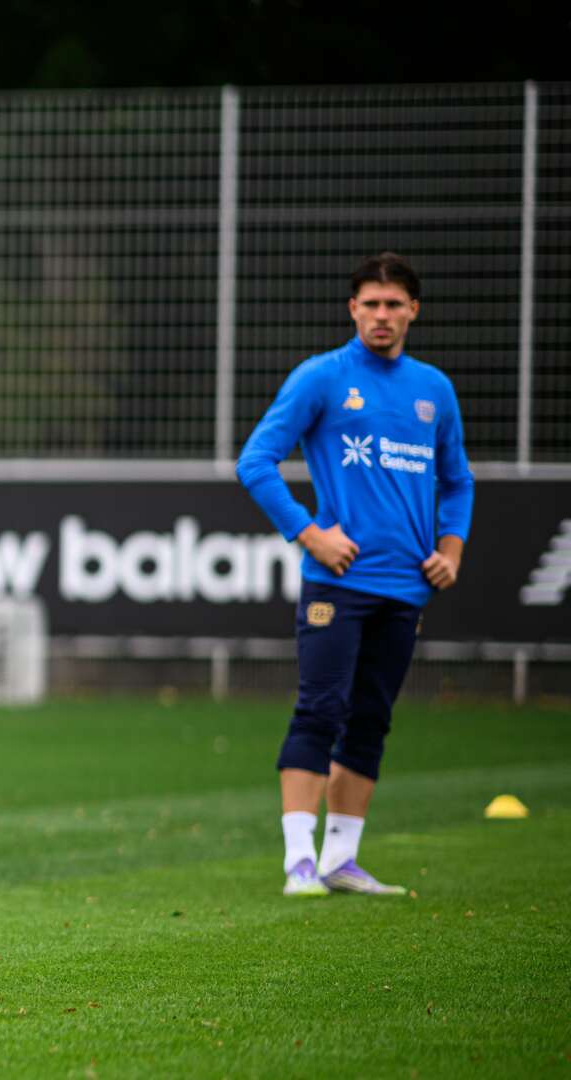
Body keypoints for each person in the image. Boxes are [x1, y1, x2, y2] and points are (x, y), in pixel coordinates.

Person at [236, 252, 473, 899]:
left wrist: (449, 551)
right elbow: (255, 461)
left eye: (394, 305)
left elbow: (457, 481)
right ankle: (298, 863)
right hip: (336, 584)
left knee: (371, 718)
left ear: (413, 311)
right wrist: (310, 533)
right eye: (370, 304)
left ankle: (342, 860)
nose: (381, 316)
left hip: (405, 587)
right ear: (352, 309)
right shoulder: (323, 377)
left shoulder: (433, 391)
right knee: (320, 709)